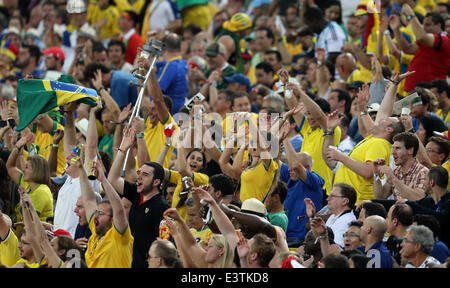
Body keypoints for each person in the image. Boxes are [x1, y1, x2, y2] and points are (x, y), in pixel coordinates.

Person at [108, 126, 169, 268]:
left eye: (145, 175)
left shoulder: (161, 206)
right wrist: (124, 148)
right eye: (139, 173)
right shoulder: (136, 193)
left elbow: (163, 244)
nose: (139, 177)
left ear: (156, 182)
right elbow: (113, 179)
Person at [77, 154, 133, 268]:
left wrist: (104, 181)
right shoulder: (95, 234)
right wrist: (81, 169)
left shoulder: (119, 236)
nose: (95, 216)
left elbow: (119, 211)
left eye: (101, 213)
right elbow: (88, 200)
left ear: (113, 220)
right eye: (96, 212)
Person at [280, 130, 324, 247]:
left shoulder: (315, 180)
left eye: (292, 167)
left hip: (301, 241)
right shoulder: (291, 176)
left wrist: (284, 138)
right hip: (283, 237)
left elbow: (295, 165)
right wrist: (275, 123)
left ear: (307, 168)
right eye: (288, 166)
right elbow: (270, 158)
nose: (289, 169)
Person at [398, 5, 450, 92]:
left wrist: (410, 15)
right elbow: (408, 49)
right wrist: (396, 29)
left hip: (429, 92)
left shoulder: (444, 39)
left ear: (439, 25)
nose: (424, 28)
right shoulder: (428, 40)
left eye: (428, 25)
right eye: (424, 25)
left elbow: (421, 37)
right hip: (415, 91)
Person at [164, 207, 235, 268]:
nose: (206, 249)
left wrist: (176, 235)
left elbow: (189, 265)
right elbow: (192, 244)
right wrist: (179, 220)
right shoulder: (207, 264)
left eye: (210, 246)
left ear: (221, 250)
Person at [6, 133, 53, 224]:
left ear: (36, 170)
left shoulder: (42, 191)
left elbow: (28, 223)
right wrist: (17, 147)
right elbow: (10, 167)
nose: (23, 169)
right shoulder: (27, 184)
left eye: (27, 167)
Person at [373, 132, 429, 201]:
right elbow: (380, 196)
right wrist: (376, 174)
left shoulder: (423, 172)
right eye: (393, 148)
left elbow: (419, 198)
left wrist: (393, 178)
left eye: (397, 148)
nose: (393, 152)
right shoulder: (396, 172)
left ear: (410, 150)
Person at [155, 33, 188, 114]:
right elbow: (157, 65)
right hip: (179, 111)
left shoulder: (171, 66)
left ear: (163, 50)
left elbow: (156, 91)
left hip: (169, 114)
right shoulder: (183, 63)